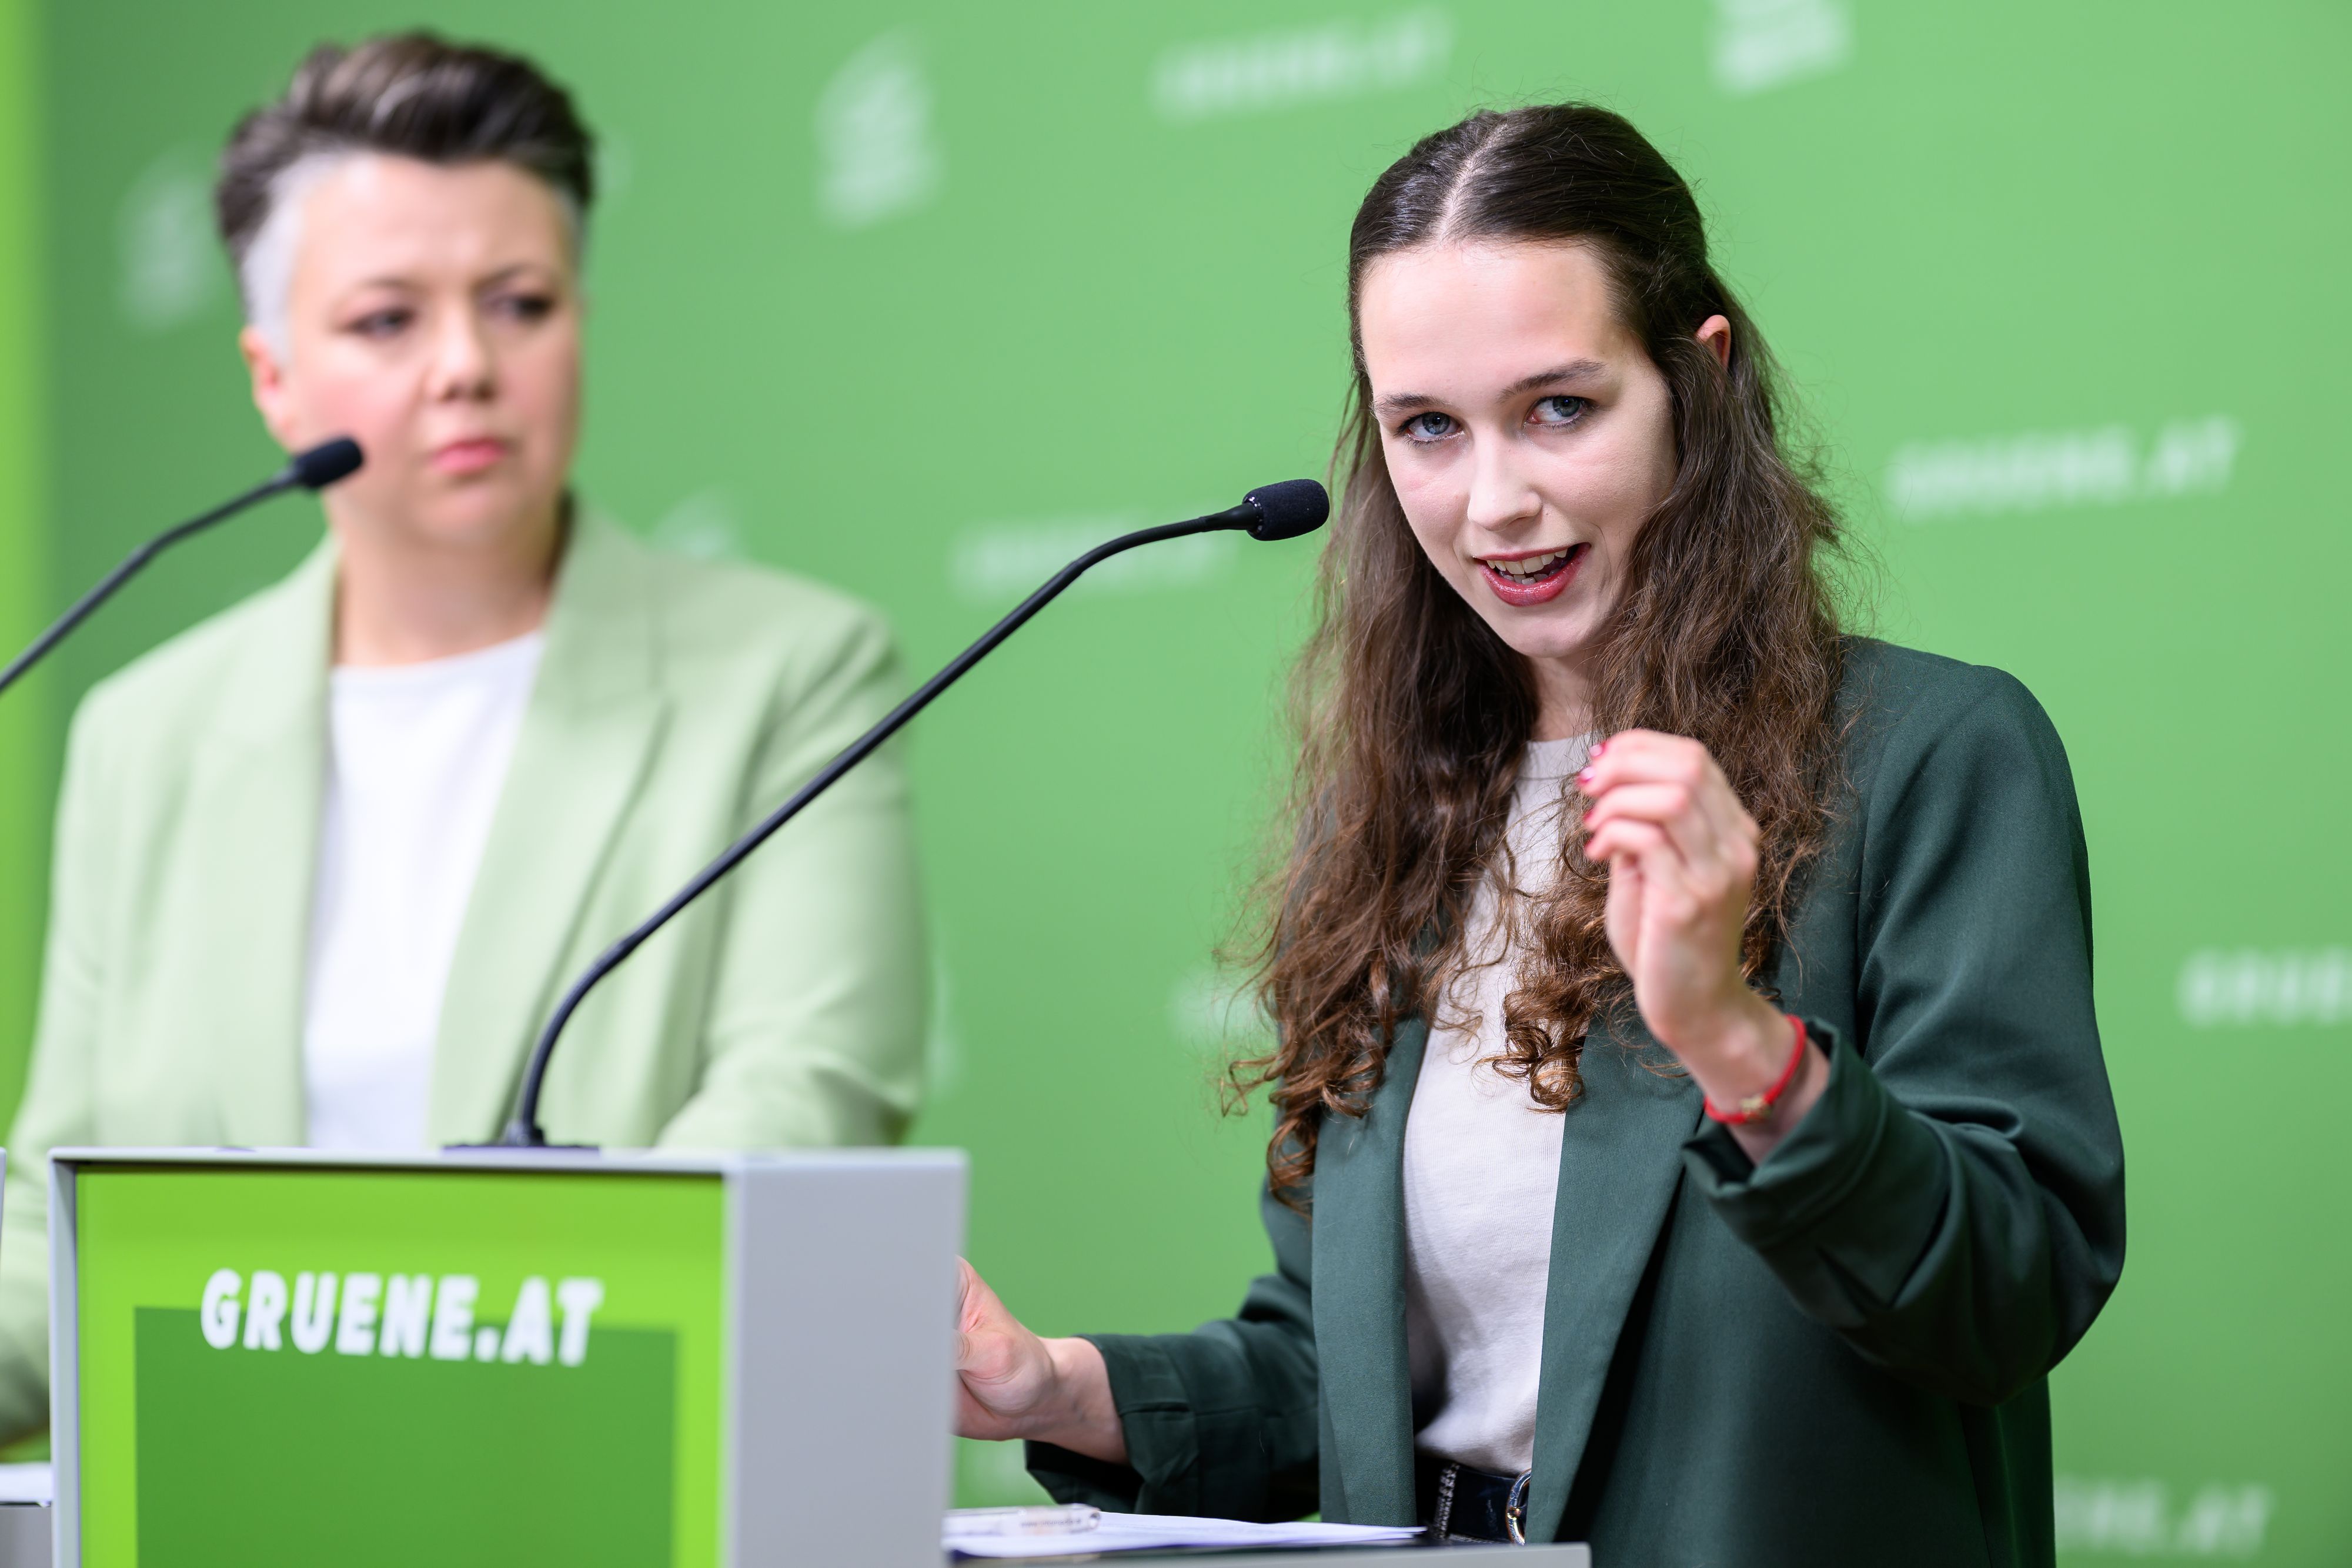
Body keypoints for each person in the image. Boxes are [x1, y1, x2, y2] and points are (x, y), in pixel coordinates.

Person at [950, 103, 2124, 1565]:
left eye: (1559, 407)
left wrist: (1733, 1038)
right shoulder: (1388, 811)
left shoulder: (1927, 756)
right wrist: (1056, 1387)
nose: (1493, 500)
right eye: (1426, 427)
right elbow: (1347, 1372)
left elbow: (2008, 1292)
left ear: (1698, 380)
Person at [0, 34, 926, 1436]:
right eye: (386, 320)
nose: (465, 367)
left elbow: (797, 1115)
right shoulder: (147, 730)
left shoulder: (792, 673)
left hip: (593, 1461)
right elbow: (52, 1231)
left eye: (519, 303)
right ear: (272, 378)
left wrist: (428, 1375)